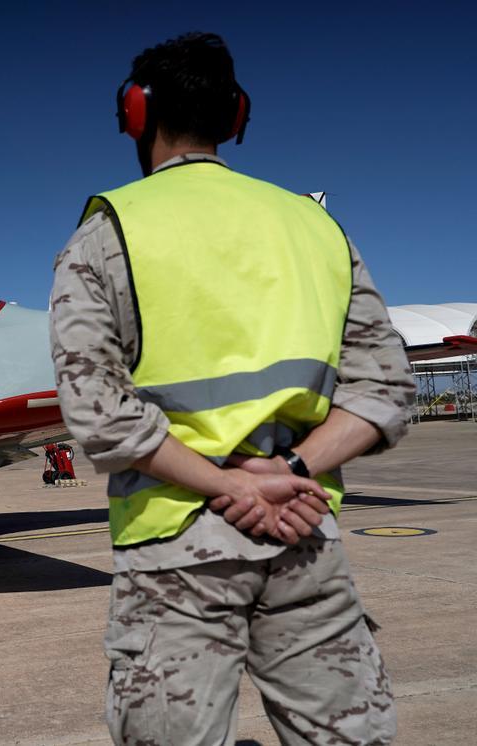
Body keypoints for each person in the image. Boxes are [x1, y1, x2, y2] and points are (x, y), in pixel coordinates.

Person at [49, 32, 414, 745]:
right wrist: (289, 471)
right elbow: (387, 389)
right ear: (236, 115)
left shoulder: (106, 233)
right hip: (304, 529)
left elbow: (98, 412)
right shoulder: (318, 227)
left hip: (173, 540)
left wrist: (230, 488)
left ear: (135, 112)